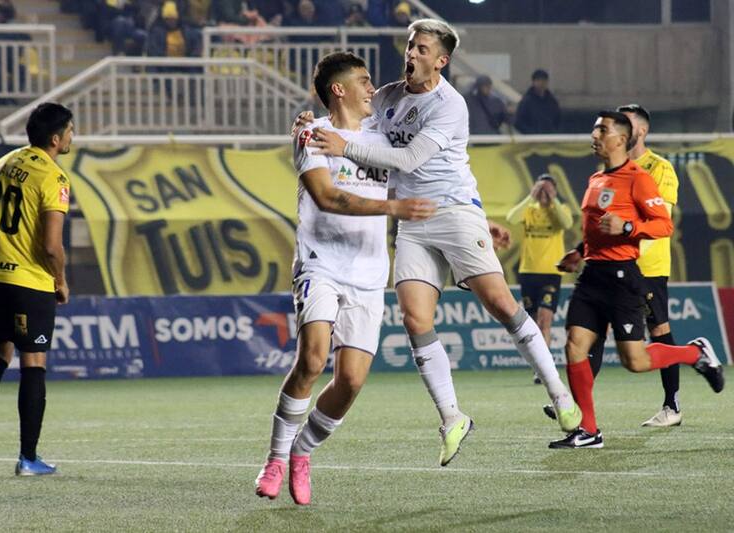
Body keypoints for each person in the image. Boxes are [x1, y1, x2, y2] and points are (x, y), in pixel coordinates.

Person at [299, 19, 582, 467]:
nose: (411, 53)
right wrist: (310, 124)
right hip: (412, 220)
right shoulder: (387, 97)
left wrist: (342, 148)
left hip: (453, 211)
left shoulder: (450, 104)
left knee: (501, 304)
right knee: (415, 319)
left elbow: (408, 158)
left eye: (422, 49)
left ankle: (560, 395)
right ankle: (452, 417)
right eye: (411, 45)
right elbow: (347, 122)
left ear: (441, 61)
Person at [254, 52, 436, 505]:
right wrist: (392, 208)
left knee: (351, 381)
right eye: (364, 80)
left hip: (369, 272)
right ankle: (275, 459)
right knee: (313, 359)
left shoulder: (383, 136)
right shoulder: (312, 133)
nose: (373, 88)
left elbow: (424, 180)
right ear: (339, 89)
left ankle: (302, 452)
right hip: (321, 263)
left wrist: (471, 221)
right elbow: (326, 196)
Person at [548, 111, 724, 449]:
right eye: (595, 129)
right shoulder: (595, 178)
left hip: (622, 278)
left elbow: (664, 225)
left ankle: (694, 353)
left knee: (635, 361)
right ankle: (588, 430)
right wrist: (579, 252)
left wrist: (628, 227)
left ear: (621, 139)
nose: (594, 135)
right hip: (591, 277)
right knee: (574, 346)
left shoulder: (639, 179)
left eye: (602, 129)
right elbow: (597, 230)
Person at [0, 102, 73, 476]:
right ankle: (28, 458)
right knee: (33, 362)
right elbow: (51, 246)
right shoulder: (53, 177)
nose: (73, 136)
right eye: (70, 130)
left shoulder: (5, 163)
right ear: (56, 139)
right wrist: (60, 280)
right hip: (28, 281)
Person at [506, 173, 572, 383]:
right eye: (541, 188)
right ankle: (539, 365)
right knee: (533, 323)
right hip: (528, 272)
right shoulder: (529, 209)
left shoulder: (559, 209)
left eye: (548, 188)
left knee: (545, 319)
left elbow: (567, 223)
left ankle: (544, 369)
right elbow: (511, 218)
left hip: (551, 273)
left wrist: (553, 199)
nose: (544, 192)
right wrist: (531, 196)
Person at [514, 69, 560, 134]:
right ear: (533, 82)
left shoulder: (552, 101)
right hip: (533, 138)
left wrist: (553, 131)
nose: (541, 83)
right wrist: (531, 133)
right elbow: (518, 122)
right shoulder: (526, 101)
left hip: (550, 137)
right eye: (538, 80)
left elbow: (558, 120)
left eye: (544, 80)